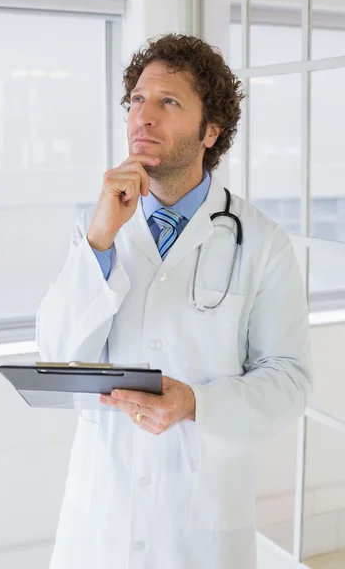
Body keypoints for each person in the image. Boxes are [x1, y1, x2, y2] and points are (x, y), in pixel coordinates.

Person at [36, 34, 312, 569]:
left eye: (169, 102)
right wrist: (98, 240)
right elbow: (56, 355)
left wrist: (195, 404)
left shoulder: (260, 240)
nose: (143, 117)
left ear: (211, 131)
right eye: (137, 100)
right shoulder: (98, 227)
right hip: (103, 516)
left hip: (199, 521)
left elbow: (290, 379)